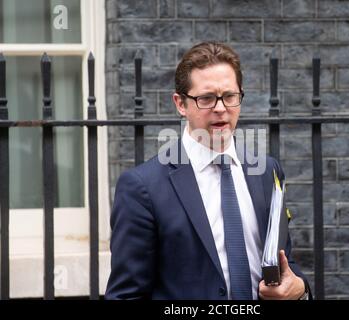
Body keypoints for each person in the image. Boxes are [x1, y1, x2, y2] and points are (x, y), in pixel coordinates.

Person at [105, 42, 311, 300]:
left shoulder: (267, 171)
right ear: (180, 104)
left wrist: (300, 288)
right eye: (206, 98)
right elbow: (126, 296)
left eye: (229, 96)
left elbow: (283, 262)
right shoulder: (141, 187)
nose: (220, 108)